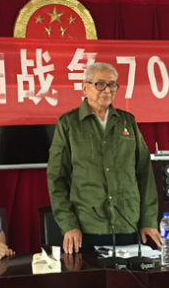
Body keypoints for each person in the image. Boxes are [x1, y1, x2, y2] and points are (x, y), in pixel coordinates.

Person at [47, 62, 161, 254]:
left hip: (128, 222)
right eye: (100, 84)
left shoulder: (127, 121)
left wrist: (148, 220)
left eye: (112, 84)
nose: (107, 90)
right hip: (87, 226)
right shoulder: (69, 123)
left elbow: (144, 173)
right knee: (91, 282)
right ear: (85, 87)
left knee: (129, 281)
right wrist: (69, 224)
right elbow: (56, 178)